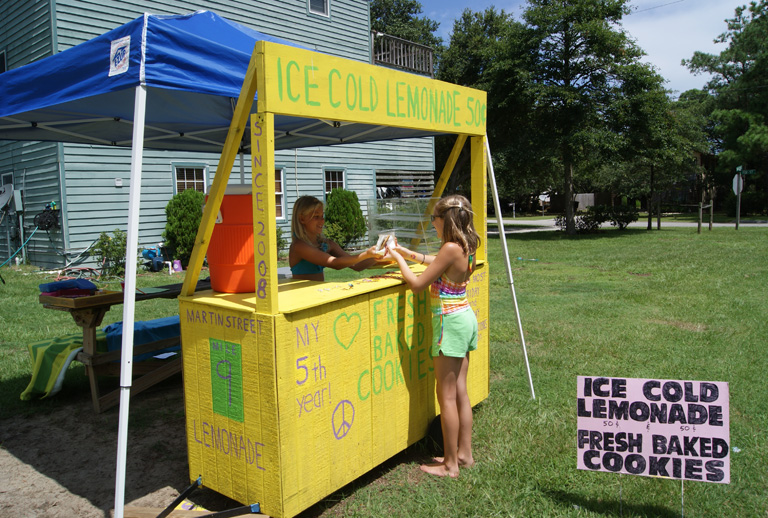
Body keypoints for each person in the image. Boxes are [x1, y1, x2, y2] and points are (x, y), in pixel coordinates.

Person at [386, 194, 480, 478]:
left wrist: (396, 258)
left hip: (449, 324)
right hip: (465, 317)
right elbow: (436, 260)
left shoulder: (450, 247)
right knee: (461, 392)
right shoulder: (467, 244)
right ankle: (464, 454)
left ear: (445, 219)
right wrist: (406, 251)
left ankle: (450, 465)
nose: (433, 224)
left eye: (434, 219)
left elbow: (416, 284)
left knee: (446, 397)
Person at [289, 195, 377, 281]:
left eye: (322, 216)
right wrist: (367, 254)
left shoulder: (326, 244)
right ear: (302, 219)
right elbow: (335, 263)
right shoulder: (298, 246)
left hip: (320, 293)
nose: (322, 221)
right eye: (316, 217)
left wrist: (379, 255)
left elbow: (357, 265)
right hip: (303, 295)